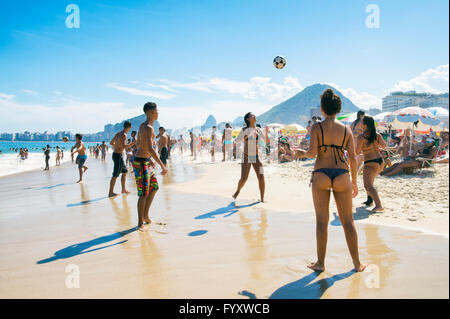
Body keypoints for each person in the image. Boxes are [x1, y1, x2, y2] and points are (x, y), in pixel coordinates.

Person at [297, 88, 365, 272]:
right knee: (348, 222)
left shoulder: (316, 127)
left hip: (321, 174)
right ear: (338, 109)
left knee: (321, 221)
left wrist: (300, 153)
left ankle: (320, 263)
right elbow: (352, 157)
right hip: (342, 174)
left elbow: (311, 153)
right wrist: (354, 181)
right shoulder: (346, 129)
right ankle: (357, 264)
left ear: (322, 108)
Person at [133, 102, 168, 231]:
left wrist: (149, 159)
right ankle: (140, 222)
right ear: (151, 112)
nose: (158, 112)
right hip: (141, 162)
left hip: (144, 161)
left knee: (154, 187)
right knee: (143, 194)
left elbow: (138, 144)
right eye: (157, 110)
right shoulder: (148, 127)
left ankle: (146, 216)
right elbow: (150, 148)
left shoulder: (143, 126)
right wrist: (162, 165)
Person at [232, 112, 266, 202]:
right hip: (246, 156)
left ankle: (262, 198)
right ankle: (237, 191)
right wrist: (246, 136)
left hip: (256, 156)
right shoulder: (244, 130)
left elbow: (265, 140)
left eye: (254, 115)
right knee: (244, 178)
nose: (254, 116)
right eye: (251, 116)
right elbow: (236, 140)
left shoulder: (258, 129)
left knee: (261, 176)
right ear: (248, 119)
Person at [356, 116, 386, 211]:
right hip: (380, 161)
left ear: (365, 125)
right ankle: (369, 200)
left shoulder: (361, 137)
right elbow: (384, 145)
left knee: (368, 185)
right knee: (370, 181)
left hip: (370, 162)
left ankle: (379, 205)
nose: (360, 124)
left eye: (361, 122)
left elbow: (357, 152)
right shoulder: (377, 135)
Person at [109, 121, 134, 197]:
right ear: (129, 128)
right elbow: (124, 146)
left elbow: (111, 143)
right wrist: (133, 143)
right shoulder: (124, 135)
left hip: (116, 155)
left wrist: (116, 146)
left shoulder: (117, 134)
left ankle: (123, 189)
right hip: (118, 156)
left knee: (125, 171)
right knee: (115, 174)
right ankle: (110, 192)